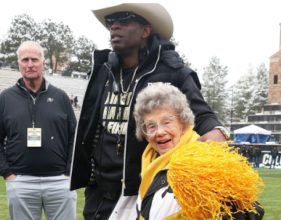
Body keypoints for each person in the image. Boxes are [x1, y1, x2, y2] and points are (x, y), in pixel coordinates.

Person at [69, 4, 229, 219]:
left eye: (124, 20)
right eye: (111, 22)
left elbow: (201, 114)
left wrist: (217, 130)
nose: (114, 27)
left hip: (144, 192)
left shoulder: (174, 72)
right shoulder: (102, 72)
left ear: (145, 31)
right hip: (100, 195)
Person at [111, 83, 263, 220]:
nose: (160, 132)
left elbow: (247, 211)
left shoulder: (203, 162)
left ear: (183, 124)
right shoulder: (149, 163)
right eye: (151, 126)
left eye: (167, 122)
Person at [0, 41, 77, 220]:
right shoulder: (5, 98)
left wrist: (68, 172)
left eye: (35, 59)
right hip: (20, 181)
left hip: (59, 180)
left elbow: (74, 137)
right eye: (25, 60)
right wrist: (7, 174)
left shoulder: (61, 97)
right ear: (19, 64)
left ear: (43, 64)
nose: (30, 64)